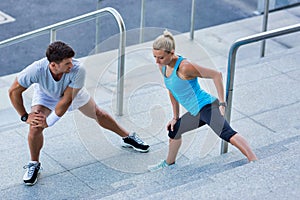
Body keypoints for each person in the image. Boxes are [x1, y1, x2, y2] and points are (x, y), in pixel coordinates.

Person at [8, 41, 150, 185]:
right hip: (46, 95)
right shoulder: (35, 70)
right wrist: (25, 116)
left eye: (71, 61)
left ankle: (127, 137)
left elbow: (66, 100)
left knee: (98, 113)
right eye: (67, 63)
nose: (71, 65)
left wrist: (49, 122)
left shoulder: (78, 69)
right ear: (53, 65)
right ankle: (34, 164)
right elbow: (13, 91)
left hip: (72, 94)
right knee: (35, 127)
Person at [148, 30, 257, 172]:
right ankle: (168, 163)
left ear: (172, 53)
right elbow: (172, 90)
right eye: (154, 57)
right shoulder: (163, 67)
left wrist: (222, 103)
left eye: (160, 57)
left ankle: (254, 160)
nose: (157, 61)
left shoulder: (185, 67)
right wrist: (175, 117)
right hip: (195, 112)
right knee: (174, 131)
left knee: (226, 133)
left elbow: (216, 75)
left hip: (207, 106)